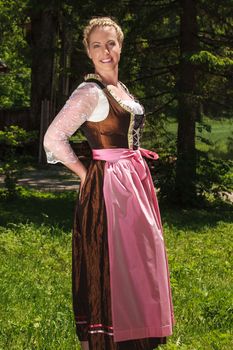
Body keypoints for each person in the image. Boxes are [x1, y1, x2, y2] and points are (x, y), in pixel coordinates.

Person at [44, 17, 174, 350]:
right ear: (88, 51)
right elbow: (54, 138)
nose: (105, 51)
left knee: (139, 259)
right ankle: (111, 338)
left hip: (133, 182)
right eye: (97, 45)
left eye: (111, 43)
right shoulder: (89, 91)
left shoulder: (120, 90)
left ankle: (137, 330)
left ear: (120, 46)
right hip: (109, 189)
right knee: (111, 260)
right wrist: (86, 173)